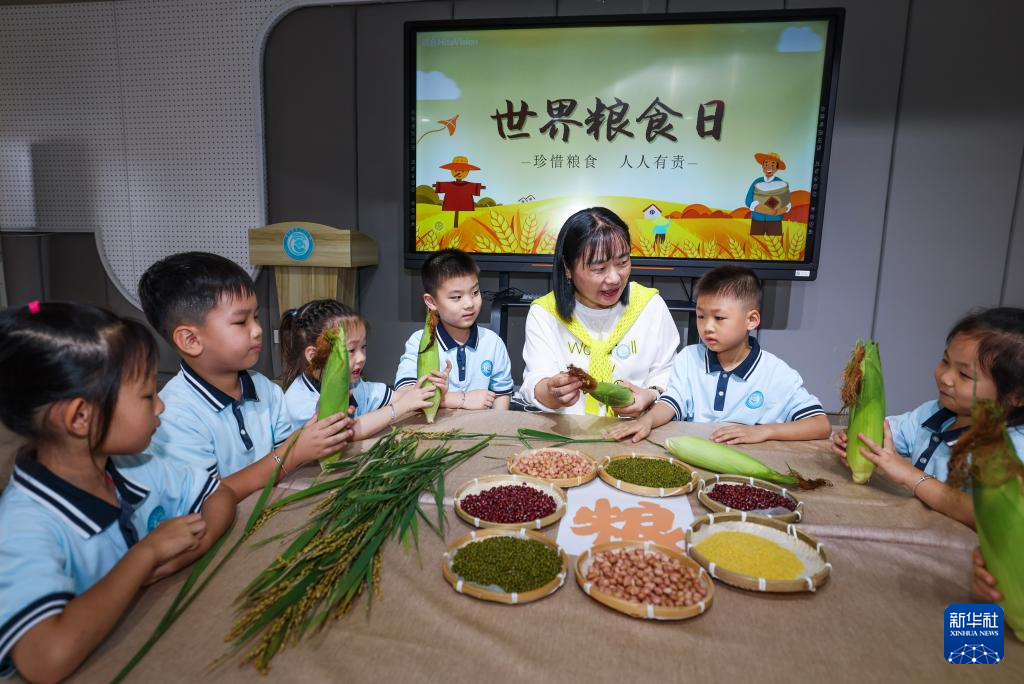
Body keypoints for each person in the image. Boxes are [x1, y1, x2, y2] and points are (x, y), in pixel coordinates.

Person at [0, 302, 235, 682]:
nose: (161, 406)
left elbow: (218, 494)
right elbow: (43, 660)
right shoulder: (23, 527)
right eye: (146, 396)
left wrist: (202, 541)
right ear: (80, 417)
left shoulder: (134, 464)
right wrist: (146, 554)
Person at [138, 252, 353, 499]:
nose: (257, 330)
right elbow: (209, 498)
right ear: (191, 340)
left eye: (256, 317)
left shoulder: (265, 389)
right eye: (241, 322)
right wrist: (293, 454)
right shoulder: (174, 415)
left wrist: (319, 426)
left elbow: (286, 450)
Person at [831, 307, 1024, 528]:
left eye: (964, 375)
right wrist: (856, 442)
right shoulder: (933, 413)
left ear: (1017, 396)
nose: (944, 377)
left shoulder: (1011, 451)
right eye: (945, 361)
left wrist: (910, 476)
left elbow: (989, 516)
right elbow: (885, 436)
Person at [608, 265, 830, 443]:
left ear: (751, 320)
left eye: (719, 318)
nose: (707, 327)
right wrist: (647, 421)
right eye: (701, 316)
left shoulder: (776, 373)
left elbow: (821, 425)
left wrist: (764, 432)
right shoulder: (689, 358)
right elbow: (672, 403)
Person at [518, 207, 679, 416]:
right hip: (568, 431)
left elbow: (668, 373)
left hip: (636, 429)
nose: (614, 278)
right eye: (599, 269)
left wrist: (650, 394)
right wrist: (552, 392)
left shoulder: (650, 306)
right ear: (567, 268)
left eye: (623, 262)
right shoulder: (545, 313)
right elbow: (535, 380)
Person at [279, 299, 440, 439]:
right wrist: (399, 408)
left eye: (363, 347)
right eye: (350, 350)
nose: (361, 357)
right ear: (313, 356)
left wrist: (431, 388)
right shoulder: (300, 403)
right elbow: (346, 433)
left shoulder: (356, 386)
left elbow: (398, 396)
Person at [395, 249, 513, 410]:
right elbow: (404, 394)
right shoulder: (420, 342)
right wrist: (459, 399)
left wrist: (498, 422)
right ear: (431, 302)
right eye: (456, 297)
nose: (469, 304)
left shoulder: (493, 343)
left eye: (475, 292)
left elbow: (502, 394)